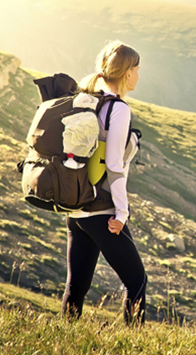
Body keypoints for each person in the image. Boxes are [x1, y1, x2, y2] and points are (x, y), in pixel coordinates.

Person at [62, 41, 147, 324]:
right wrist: (121, 214)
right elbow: (114, 166)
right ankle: (134, 344)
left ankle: (64, 337)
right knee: (137, 281)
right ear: (126, 73)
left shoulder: (88, 101)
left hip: (77, 210)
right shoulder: (118, 110)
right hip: (102, 210)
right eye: (136, 68)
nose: (138, 74)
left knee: (76, 288)